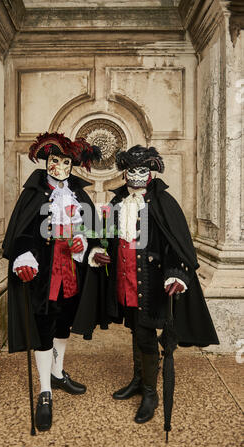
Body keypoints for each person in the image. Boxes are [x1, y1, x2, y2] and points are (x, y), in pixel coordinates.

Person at [88, 145, 219, 426]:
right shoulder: (117, 203)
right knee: (136, 329)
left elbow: (176, 244)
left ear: (150, 172)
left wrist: (176, 274)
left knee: (146, 334)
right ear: (124, 174)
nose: (135, 176)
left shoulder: (163, 203)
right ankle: (138, 380)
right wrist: (98, 250)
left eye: (141, 170)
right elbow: (103, 235)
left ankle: (150, 392)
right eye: (131, 171)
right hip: (124, 281)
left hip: (149, 282)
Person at [2, 132, 101, 432]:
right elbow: (20, 234)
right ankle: (44, 390)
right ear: (46, 161)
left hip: (71, 272)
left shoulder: (79, 195)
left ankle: (58, 373)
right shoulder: (33, 194)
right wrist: (23, 259)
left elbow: (91, 229)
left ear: (73, 164)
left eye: (65, 161)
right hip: (43, 275)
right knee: (43, 327)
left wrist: (83, 243)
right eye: (54, 160)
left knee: (63, 324)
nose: (59, 166)